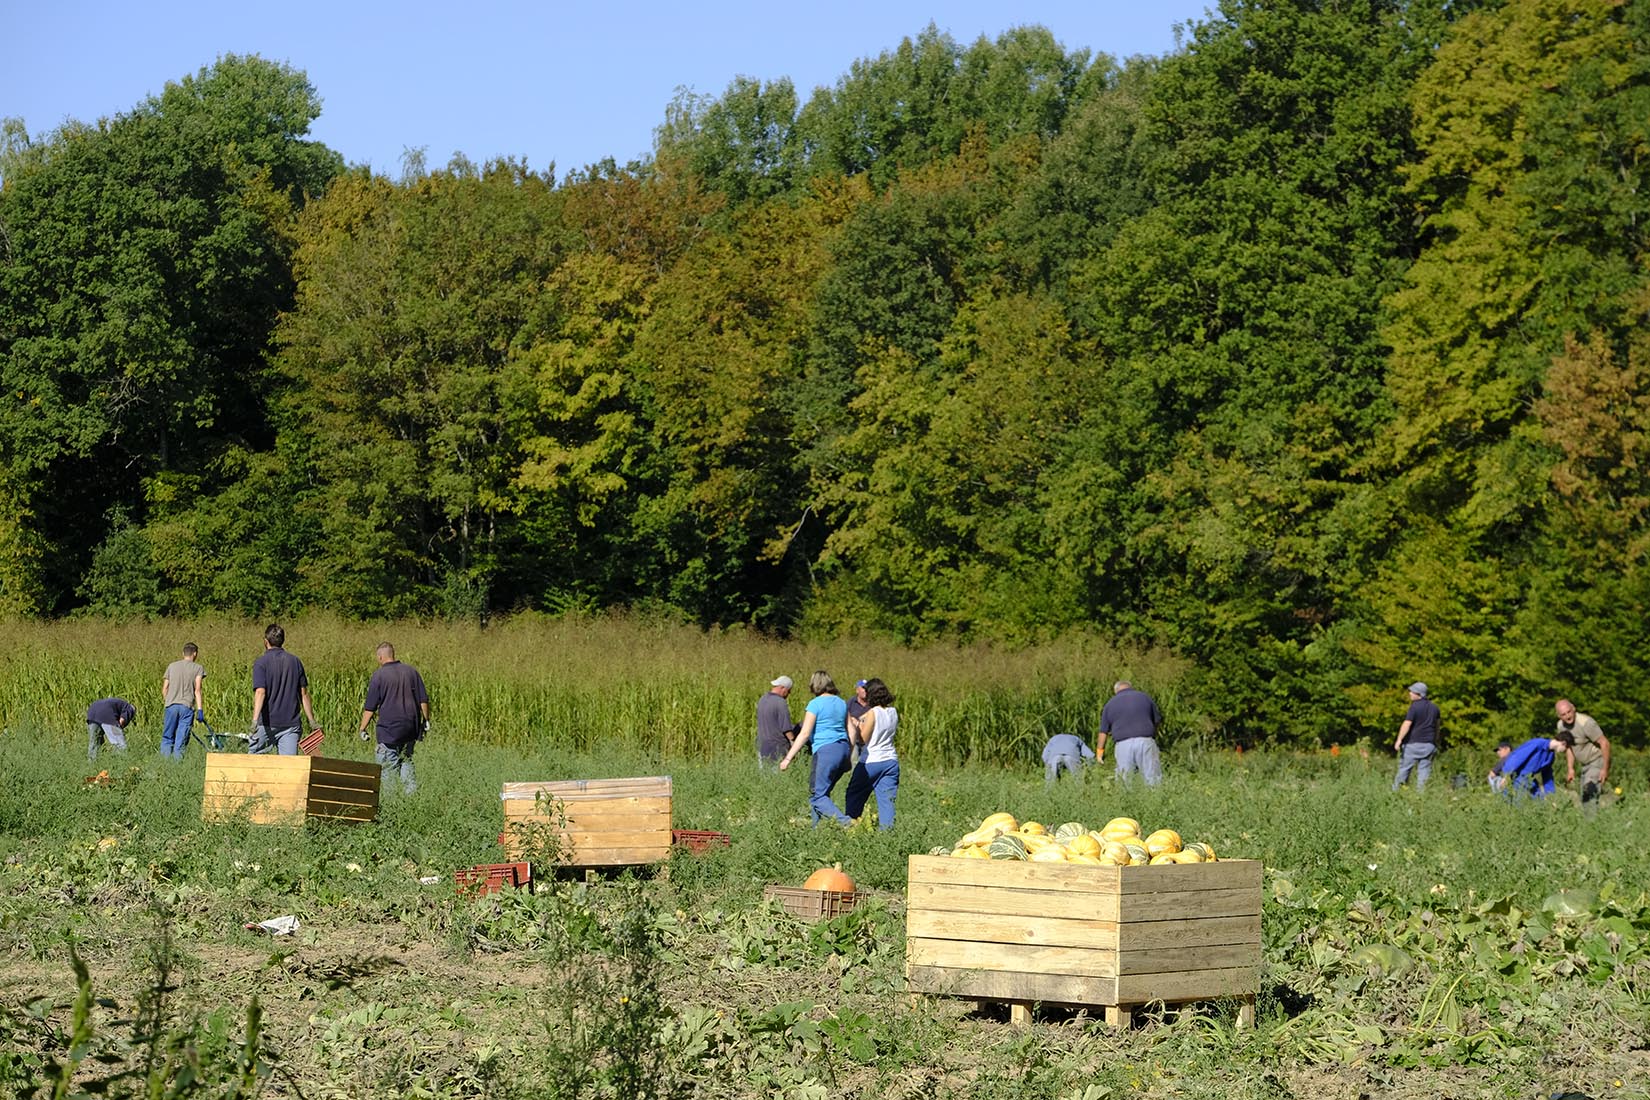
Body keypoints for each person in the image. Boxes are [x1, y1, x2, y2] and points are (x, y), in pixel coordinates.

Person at [778, 670, 853, 825]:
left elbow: (805, 733)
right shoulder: (841, 702)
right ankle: (817, 831)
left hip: (825, 750)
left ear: (814, 685)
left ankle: (846, 823)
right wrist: (849, 754)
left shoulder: (815, 704)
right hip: (843, 748)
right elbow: (851, 730)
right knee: (822, 794)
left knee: (817, 796)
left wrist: (788, 758)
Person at [356, 641, 429, 794]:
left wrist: (362, 728)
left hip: (389, 730)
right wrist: (426, 721)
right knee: (406, 761)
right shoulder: (411, 672)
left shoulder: (379, 675)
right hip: (410, 729)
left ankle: (391, 803)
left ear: (380, 657)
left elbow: (370, 707)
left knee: (388, 768)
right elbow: (423, 700)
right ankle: (412, 797)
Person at [249, 623, 320, 756]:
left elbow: (260, 692)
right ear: (283, 641)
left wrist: (254, 722)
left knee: (254, 763)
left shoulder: (261, 662)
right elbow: (304, 694)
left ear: (266, 642)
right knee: (288, 768)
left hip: (267, 724)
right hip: (290, 725)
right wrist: (312, 721)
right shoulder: (295, 662)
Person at [844, 678, 899, 829]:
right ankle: (887, 835)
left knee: (854, 794)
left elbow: (863, 739)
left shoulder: (873, 713)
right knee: (887, 802)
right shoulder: (893, 711)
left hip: (871, 760)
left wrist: (857, 724)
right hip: (891, 761)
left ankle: (851, 827)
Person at [1099, 681, 1164, 787]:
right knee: (1152, 778)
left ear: (1116, 691)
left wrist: (1099, 753)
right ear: (1131, 687)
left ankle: (1126, 802)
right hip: (1145, 741)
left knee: (1125, 780)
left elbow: (1103, 732)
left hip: (1123, 744)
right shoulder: (1145, 697)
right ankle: (1156, 800)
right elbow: (1157, 721)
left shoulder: (1110, 704)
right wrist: (1153, 735)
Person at [1554, 699, 1612, 807]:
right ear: (1559, 716)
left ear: (1574, 709)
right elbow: (1569, 747)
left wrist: (1605, 769)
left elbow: (1605, 743)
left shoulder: (1586, 723)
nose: (1567, 716)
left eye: (1569, 712)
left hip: (1597, 760)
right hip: (1585, 764)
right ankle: (1591, 821)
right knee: (1585, 796)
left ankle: (1590, 822)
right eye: (1563, 714)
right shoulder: (1561, 726)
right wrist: (1570, 768)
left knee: (1588, 794)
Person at [1489, 732, 1574, 799]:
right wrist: (1506, 776)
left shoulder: (1550, 757)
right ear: (1563, 743)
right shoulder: (1537, 744)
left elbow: (1547, 776)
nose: (1564, 751)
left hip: (1530, 781)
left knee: (1539, 806)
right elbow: (1517, 758)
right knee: (1518, 807)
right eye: (1566, 749)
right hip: (1515, 778)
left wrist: (1551, 795)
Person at [159, 642, 205, 760]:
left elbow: (164, 688)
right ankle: (177, 765)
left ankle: (164, 764)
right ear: (195, 654)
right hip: (186, 707)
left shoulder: (172, 666)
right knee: (181, 739)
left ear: (183, 653)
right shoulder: (198, 668)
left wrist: (168, 701)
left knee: (167, 737)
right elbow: (197, 690)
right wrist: (200, 710)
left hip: (171, 705)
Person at [1392, 681, 1441, 791]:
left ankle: (1395, 793)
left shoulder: (1414, 707)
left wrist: (1399, 739)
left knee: (1404, 770)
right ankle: (1420, 798)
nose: (1409, 693)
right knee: (1424, 773)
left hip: (1413, 744)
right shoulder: (1435, 708)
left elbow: (1407, 724)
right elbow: (1437, 727)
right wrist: (1435, 740)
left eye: (1411, 691)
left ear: (1418, 693)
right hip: (1429, 745)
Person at [756, 675, 799, 769]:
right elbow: (786, 728)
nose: (789, 694)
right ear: (783, 688)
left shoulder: (763, 699)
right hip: (777, 748)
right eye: (789, 691)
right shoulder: (780, 702)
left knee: (765, 776)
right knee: (777, 777)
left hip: (762, 745)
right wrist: (794, 744)